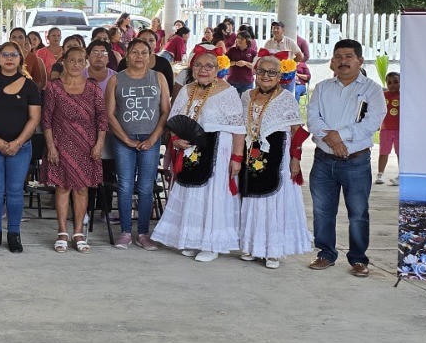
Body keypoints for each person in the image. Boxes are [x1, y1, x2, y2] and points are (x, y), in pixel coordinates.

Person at [151, 48, 245, 262]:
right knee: (191, 195)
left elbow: (238, 128)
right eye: (198, 65)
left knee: (211, 195)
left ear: (217, 69)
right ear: (192, 68)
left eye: (209, 66)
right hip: (190, 150)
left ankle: (211, 244)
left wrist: (237, 158)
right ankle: (193, 240)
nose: (203, 70)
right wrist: (176, 140)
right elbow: (174, 120)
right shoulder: (186, 90)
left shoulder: (228, 91)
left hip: (218, 150)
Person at [306, 39, 385, 277]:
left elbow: (372, 122)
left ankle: (359, 259)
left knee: (358, 213)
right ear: (332, 61)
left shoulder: (372, 89)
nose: (343, 61)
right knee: (322, 211)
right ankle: (325, 254)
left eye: (349, 56)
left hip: (356, 162)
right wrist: (332, 141)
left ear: (360, 61)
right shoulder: (322, 87)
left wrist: (339, 136)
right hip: (323, 160)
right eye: (338, 57)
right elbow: (313, 119)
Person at [238, 55, 313, 269]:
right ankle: (252, 247)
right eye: (262, 71)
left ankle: (272, 251)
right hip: (251, 155)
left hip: (279, 157)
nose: (266, 76)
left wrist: (296, 160)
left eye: (272, 72)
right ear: (255, 72)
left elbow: (297, 132)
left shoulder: (286, 98)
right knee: (253, 200)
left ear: (279, 76)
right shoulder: (246, 96)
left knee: (273, 202)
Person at [0, 41, 42, 253]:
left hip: (20, 147)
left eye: (14, 54)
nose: (9, 58)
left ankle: (14, 234)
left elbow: (34, 118)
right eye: (5, 54)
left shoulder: (30, 86)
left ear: (20, 58)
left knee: (14, 192)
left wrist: (18, 142)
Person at [43, 45, 108, 254]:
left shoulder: (93, 88)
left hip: (87, 146)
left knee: (82, 188)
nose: (76, 64)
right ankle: (62, 232)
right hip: (60, 144)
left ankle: (78, 232)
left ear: (86, 63)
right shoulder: (54, 87)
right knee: (62, 188)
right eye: (72, 60)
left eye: (81, 61)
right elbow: (46, 120)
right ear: (64, 62)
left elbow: (102, 119)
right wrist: (51, 147)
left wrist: (99, 144)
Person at [107, 38, 170, 250]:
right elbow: (109, 114)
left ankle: (143, 233)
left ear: (150, 56)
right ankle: (125, 232)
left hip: (150, 139)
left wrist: (153, 139)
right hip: (124, 139)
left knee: (145, 187)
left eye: (144, 52)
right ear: (127, 55)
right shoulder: (116, 79)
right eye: (134, 52)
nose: (139, 56)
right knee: (125, 186)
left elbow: (165, 111)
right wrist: (126, 139)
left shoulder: (158, 77)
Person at [377, 72, 400, 185]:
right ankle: (380, 175)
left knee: (400, 153)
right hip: (385, 129)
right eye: (389, 82)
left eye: (396, 82)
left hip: (400, 130)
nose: (392, 85)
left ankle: (401, 175)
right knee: (383, 152)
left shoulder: (404, 96)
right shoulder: (382, 95)